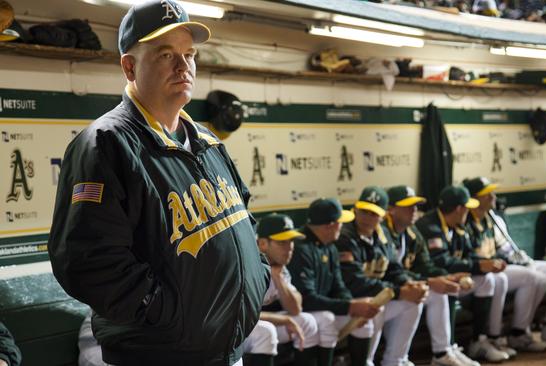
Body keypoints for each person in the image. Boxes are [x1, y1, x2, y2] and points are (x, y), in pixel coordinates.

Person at [47, 1, 270, 365]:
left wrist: (257, 275)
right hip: (162, 355)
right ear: (129, 66)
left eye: (189, 54)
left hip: (227, 351)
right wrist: (166, 314)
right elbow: (86, 261)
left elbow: (243, 215)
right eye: (166, 54)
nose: (183, 66)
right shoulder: (107, 143)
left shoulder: (206, 139)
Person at [464, 177, 546, 351]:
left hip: (504, 265)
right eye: (486, 195)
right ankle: (518, 333)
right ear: (473, 199)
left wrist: (524, 261)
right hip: (486, 271)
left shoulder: (493, 218)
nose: (492, 197)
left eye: (492, 193)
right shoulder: (467, 221)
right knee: (533, 278)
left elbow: (507, 249)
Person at [384, 185, 477, 366]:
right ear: (391, 209)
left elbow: (425, 265)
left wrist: (446, 277)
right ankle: (395, 360)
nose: (414, 210)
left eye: (415, 206)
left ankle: (442, 352)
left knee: (437, 292)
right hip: (385, 291)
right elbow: (390, 271)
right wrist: (429, 281)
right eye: (407, 206)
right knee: (418, 295)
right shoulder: (383, 233)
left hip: (404, 287)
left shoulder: (412, 232)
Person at [415, 185, 509, 363]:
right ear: (459, 209)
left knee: (487, 280)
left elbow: (468, 253)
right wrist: (478, 265)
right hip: (430, 281)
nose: (468, 211)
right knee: (447, 287)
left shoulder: (457, 224)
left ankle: (479, 341)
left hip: (449, 277)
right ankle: (446, 349)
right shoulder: (429, 226)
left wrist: (485, 264)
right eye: (467, 207)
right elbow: (440, 261)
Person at [337, 186, 426, 366]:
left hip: (375, 293)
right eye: (364, 211)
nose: (367, 217)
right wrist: (399, 291)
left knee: (414, 300)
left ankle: (395, 360)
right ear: (355, 209)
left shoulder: (382, 234)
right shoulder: (345, 236)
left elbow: (394, 268)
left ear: (383, 215)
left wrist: (408, 283)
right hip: (349, 301)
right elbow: (354, 282)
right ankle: (366, 361)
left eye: (373, 213)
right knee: (376, 304)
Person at [287, 198, 380, 366]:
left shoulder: (329, 246)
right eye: (339, 222)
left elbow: (338, 286)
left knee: (363, 322)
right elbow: (307, 299)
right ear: (329, 225)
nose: (342, 226)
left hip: (321, 307)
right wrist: (349, 306)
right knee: (327, 318)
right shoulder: (300, 248)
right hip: (299, 311)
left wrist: (352, 304)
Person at [243, 213, 319, 366]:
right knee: (267, 331)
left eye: (291, 241)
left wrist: (278, 279)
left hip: (256, 322)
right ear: (263, 244)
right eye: (282, 242)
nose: (290, 247)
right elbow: (241, 314)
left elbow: (295, 309)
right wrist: (282, 319)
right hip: (235, 329)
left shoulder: (280, 267)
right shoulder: (248, 266)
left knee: (307, 322)